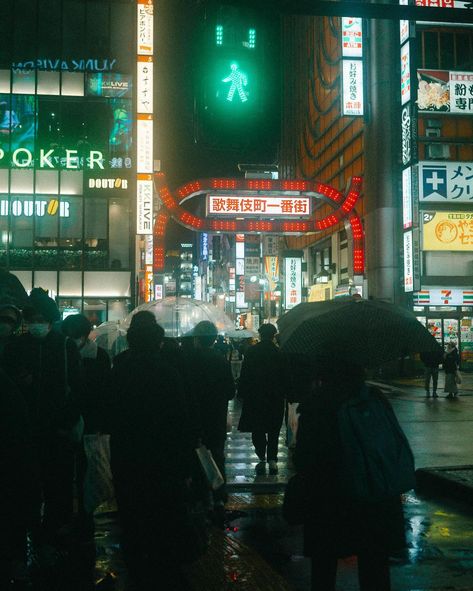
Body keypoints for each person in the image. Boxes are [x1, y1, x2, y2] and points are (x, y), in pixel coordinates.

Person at [294, 363, 406, 591]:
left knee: (324, 566)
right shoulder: (374, 399)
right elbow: (393, 442)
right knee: (375, 568)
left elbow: (304, 457)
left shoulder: (317, 402)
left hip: (328, 498)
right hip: (373, 493)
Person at [109, 321, 195, 589]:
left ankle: (136, 568)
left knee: (132, 515)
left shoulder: (118, 371)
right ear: (158, 342)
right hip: (163, 457)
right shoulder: (168, 372)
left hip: (127, 454)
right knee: (161, 513)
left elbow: (107, 412)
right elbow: (180, 420)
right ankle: (162, 566)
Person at [3, 290, 82, 544]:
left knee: (57, 481)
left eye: (41, 318)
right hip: (25, 431)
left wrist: (66, 423)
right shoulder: (17, 347)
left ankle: (55, 524)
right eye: (32, 318)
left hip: (57, 429)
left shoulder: (64, 346)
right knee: (27, 482)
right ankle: (31, 524)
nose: (36, 323)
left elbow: (78, 389)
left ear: (50, 320)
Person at [186, 320, 235, 516]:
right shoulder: (221, 360)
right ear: (214, 339)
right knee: (217, 456)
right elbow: (231, 391)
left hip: (195, 418)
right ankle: (218, 497)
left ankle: (201, 498)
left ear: (197, 339)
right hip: (216, 418)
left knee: (197, 458)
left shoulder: (188, 361)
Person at [237, 323, 290, 475]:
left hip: (256, 396)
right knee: (274, 428)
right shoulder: (279, 353)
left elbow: (245, 374)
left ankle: (261, 452)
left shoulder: (252, 352)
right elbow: (286, 377)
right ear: (273, 335)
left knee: (258, 427)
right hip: (275, 396)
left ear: (260, 335)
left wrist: (242, 393)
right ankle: (272, 459)